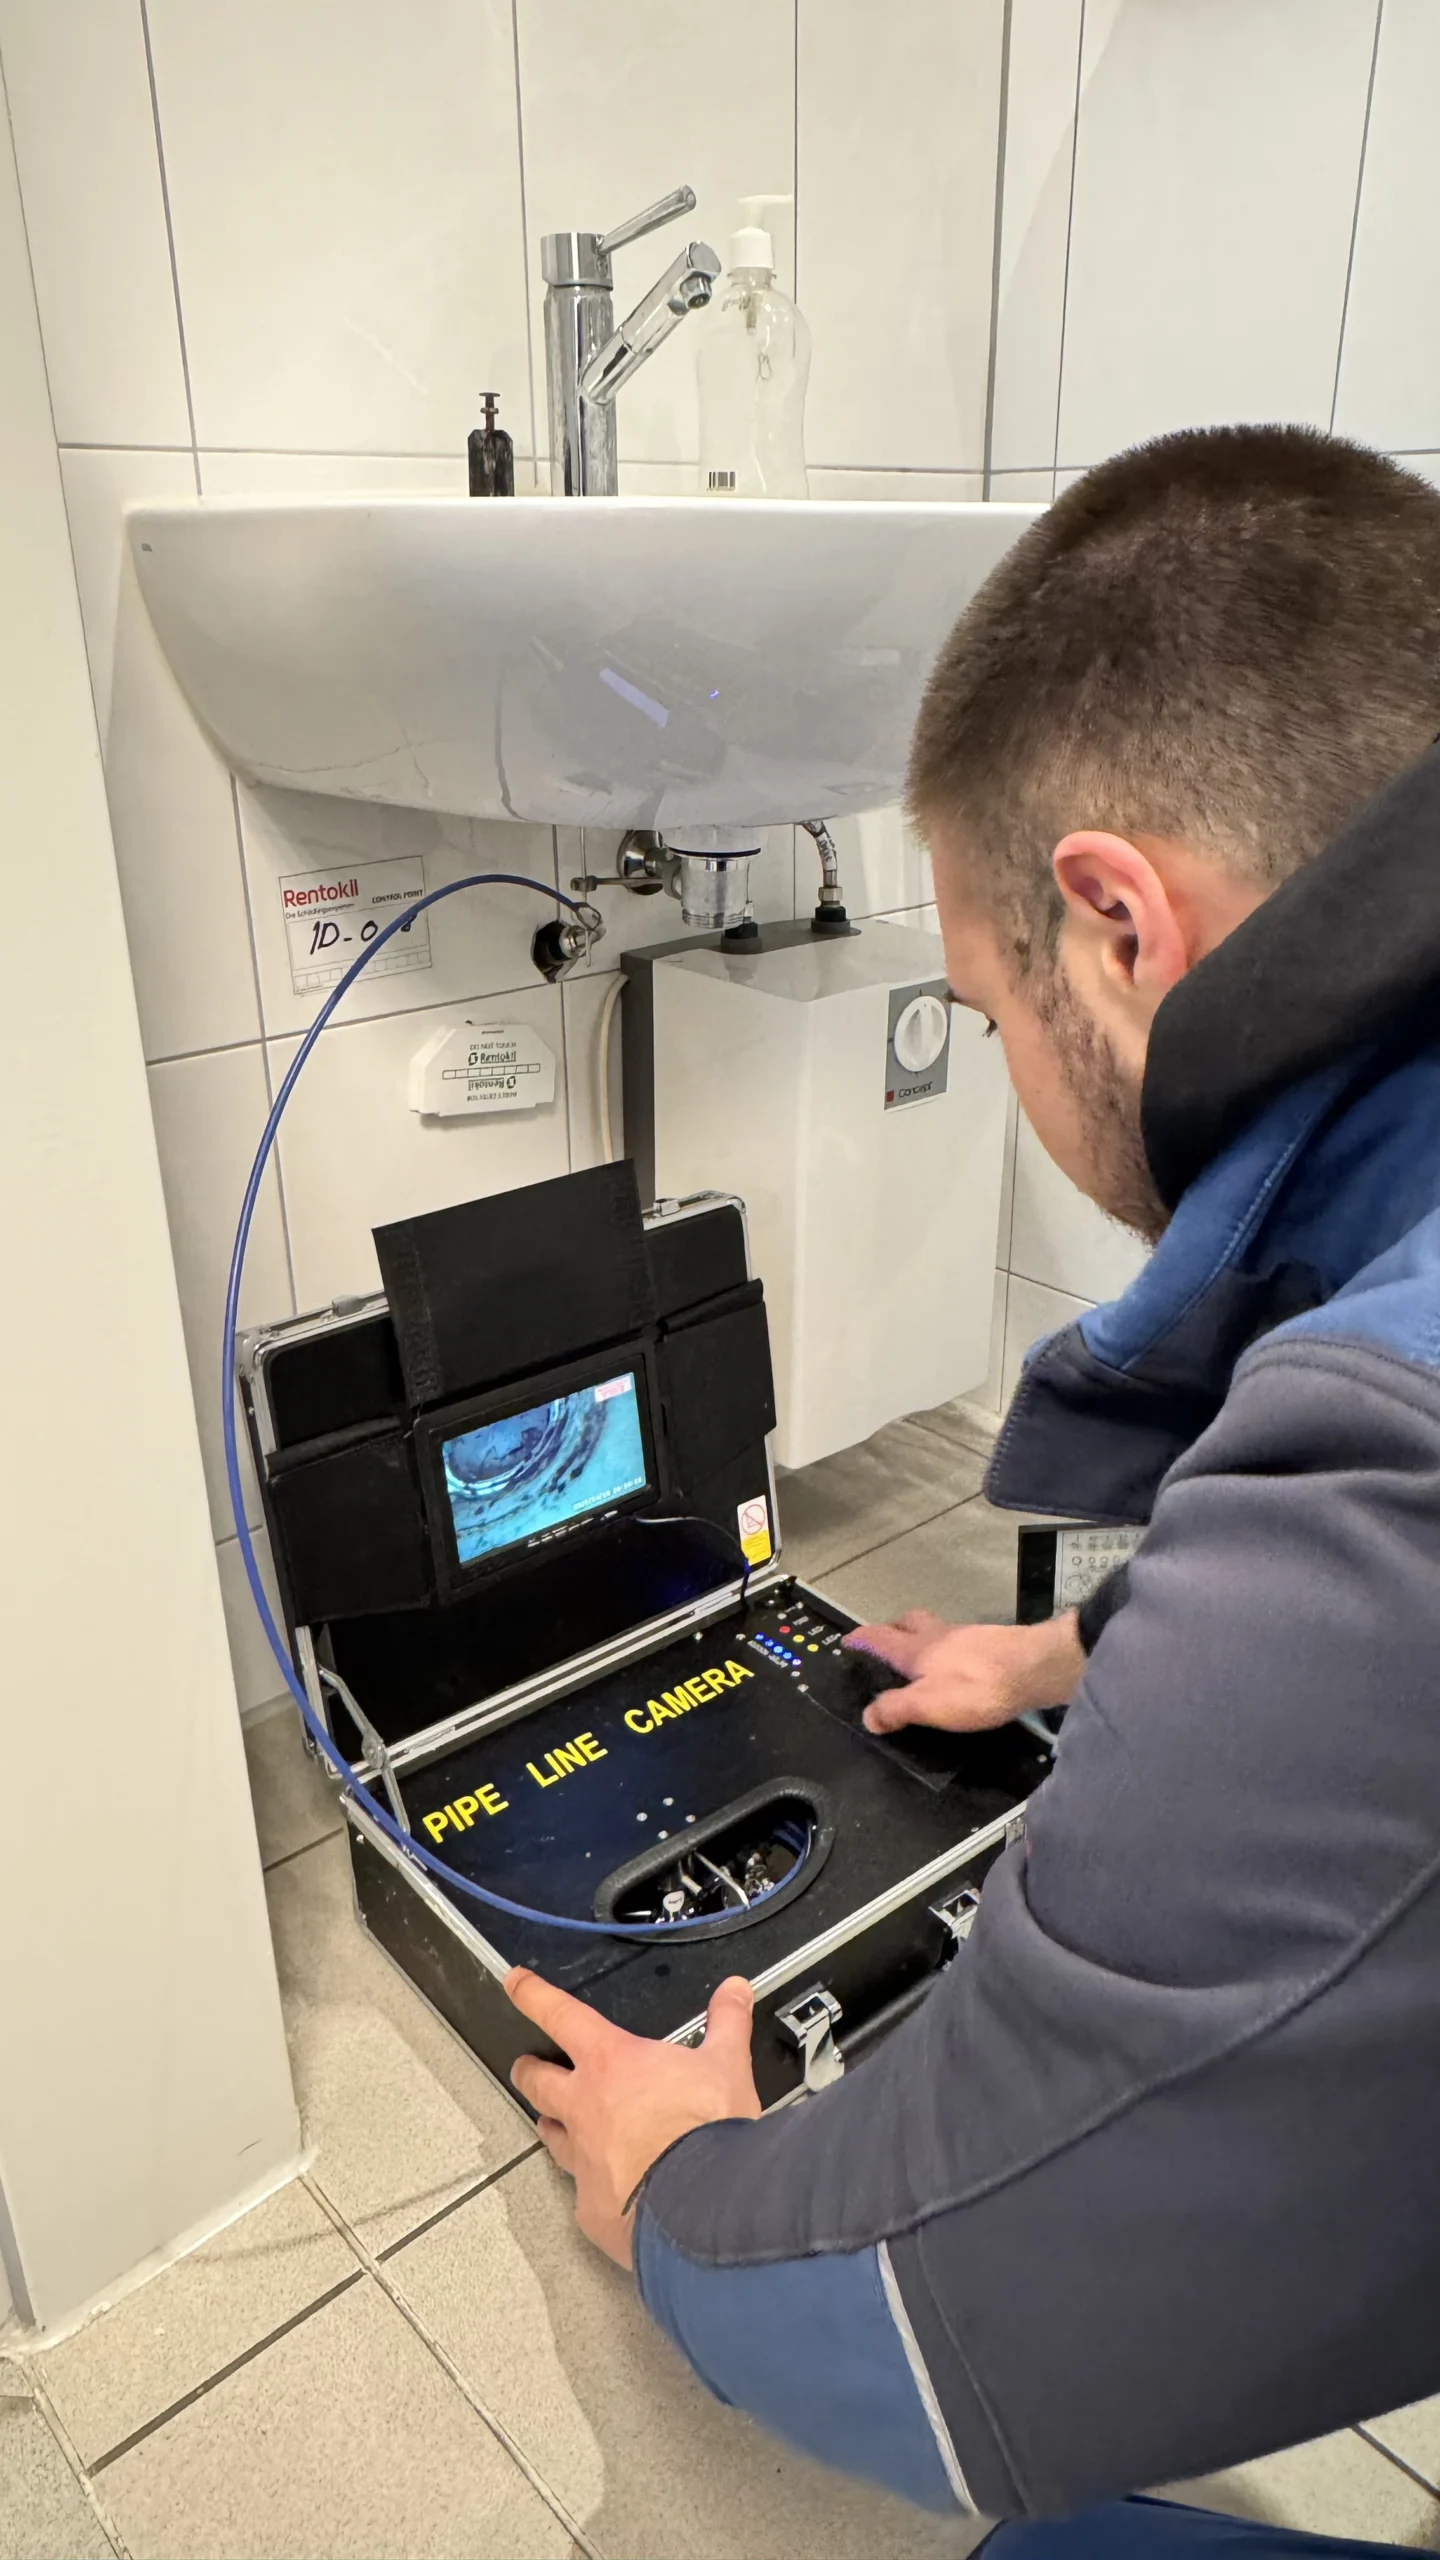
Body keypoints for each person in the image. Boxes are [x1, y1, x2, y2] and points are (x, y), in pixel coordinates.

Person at [504, 426, 1440, 2552]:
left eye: (986, 1006)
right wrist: (1077, 1652)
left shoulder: (1382, 1487)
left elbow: (936, 2312)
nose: (1004, 1070)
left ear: (1116, 925)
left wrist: (677, 2179)